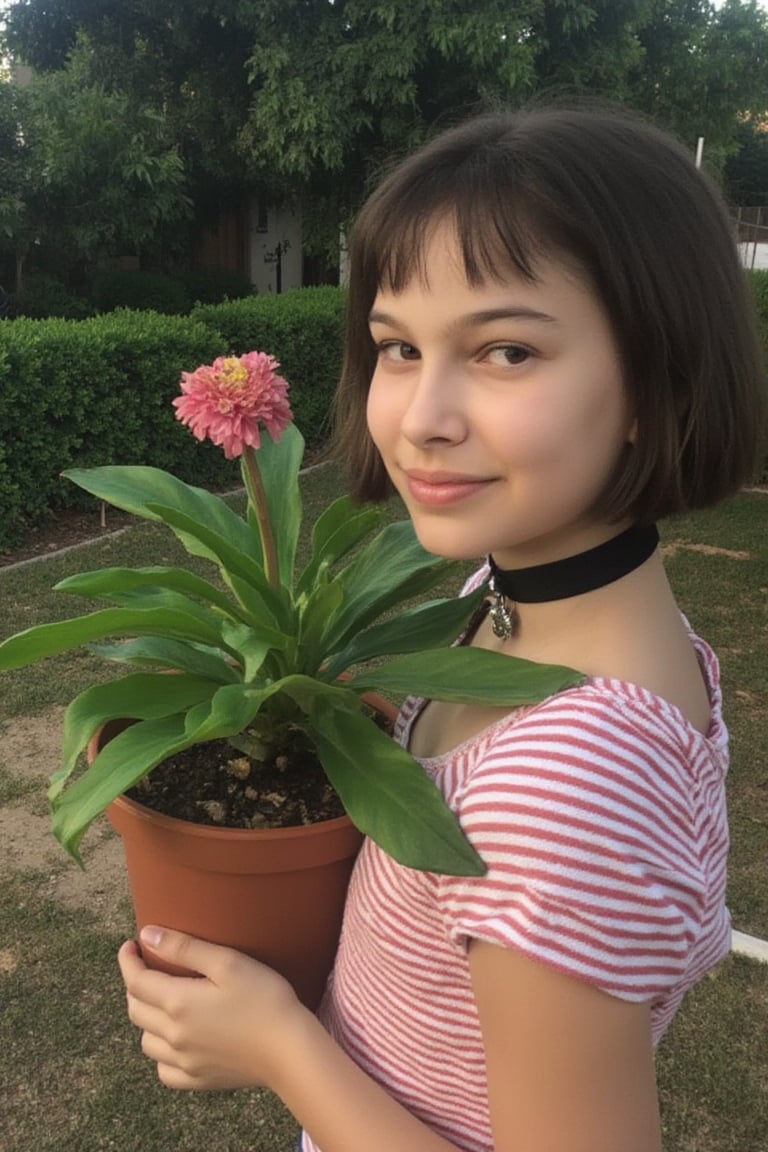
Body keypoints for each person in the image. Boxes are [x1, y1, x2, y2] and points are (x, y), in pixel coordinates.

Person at [118, 103, 766, 1152]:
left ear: (661, 378)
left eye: (507, 350)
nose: (421, 415)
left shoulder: (571, 785)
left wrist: (280, 1045)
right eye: (398, 347)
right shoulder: (515, 603)